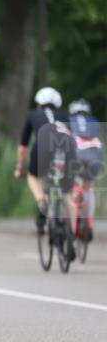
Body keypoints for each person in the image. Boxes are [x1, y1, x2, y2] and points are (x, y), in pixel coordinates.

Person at [15, 87, 77, 249]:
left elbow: (23, 148)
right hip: (66, 149)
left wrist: (19, 167)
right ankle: (71, 232)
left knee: (33, 177)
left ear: (39, 104)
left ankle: (41, 200)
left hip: (42, 146)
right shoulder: (64, 116)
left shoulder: (32, 115)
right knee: (67, 191)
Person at [68, 98, 103, 239]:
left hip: (76, 156)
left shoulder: (69, 119)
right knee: (89, 187)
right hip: (95, 157)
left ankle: (75, 213)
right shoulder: (94, 121)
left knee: (73, 185)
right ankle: (89, 222)